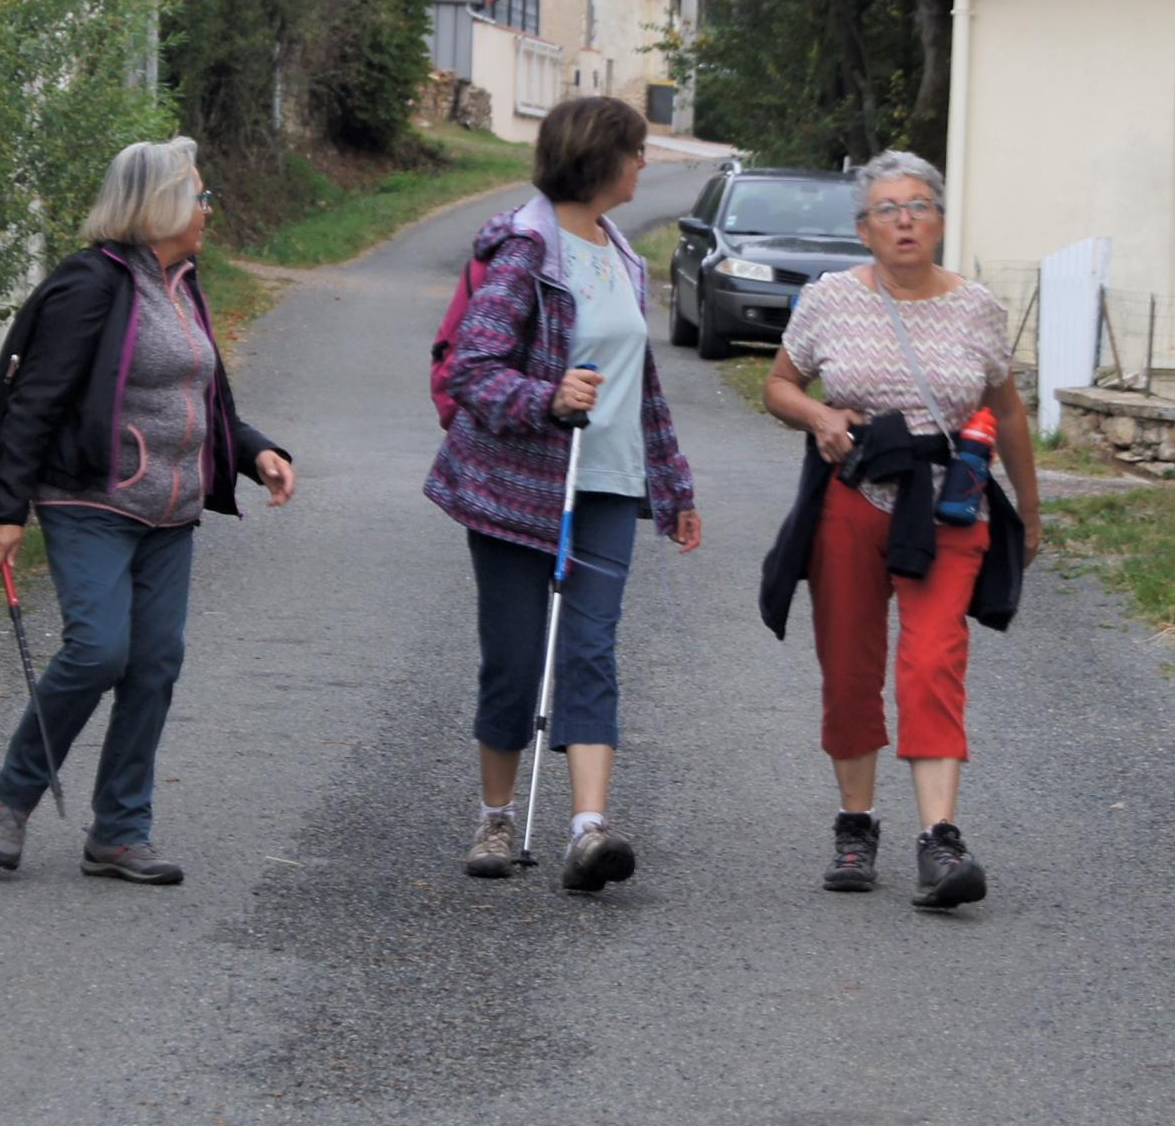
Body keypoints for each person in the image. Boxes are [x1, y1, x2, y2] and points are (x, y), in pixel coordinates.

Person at [0, 136, 295, 885]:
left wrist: (255, 452)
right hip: (91, 499)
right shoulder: (92, 285)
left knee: (153, 664)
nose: (210, 210)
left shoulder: (185, 284)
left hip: (169, 512)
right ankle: (12, 796)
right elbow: (37, 402)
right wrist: (5, 507)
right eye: (201, 197)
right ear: (161, 206)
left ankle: (120, 830)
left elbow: (205, 398)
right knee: (97, 650)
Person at [425, 96, 702, 891]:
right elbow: (476, 369)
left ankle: (589, 830)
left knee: (591, 653)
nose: (645, 164)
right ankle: (496, 817)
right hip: (519, 487)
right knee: (515, 660)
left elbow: (641, 381)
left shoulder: (620, 252)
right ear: (601, 157)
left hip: (608, 485)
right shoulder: (527, 249)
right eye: (638, 151)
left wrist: (672, 482)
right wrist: (547, 397)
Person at [763, 149, 1039, 910]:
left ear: (942, 221)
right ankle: (856, 824)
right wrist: (818, 413)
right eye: (887, 208)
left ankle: (940, 842)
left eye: (918, 204)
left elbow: (1007, 410)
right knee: (850, 663)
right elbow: (779, 384)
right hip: (852, 497)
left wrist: (1032, 509)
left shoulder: (978, 307)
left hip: (951, 503)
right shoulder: (827, 300)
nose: (905, 218)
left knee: (932, 659)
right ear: (863, 228)